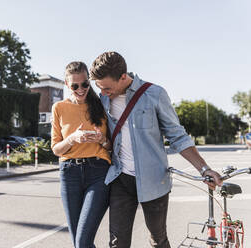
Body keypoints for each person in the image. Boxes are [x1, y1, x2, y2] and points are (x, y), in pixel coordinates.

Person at [89, 51, 223, 248]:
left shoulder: (154, 94)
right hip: (120, 179)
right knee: (117, 243)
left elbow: (177, 136)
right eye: (100, 88)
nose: (103, 93)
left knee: (158, 240)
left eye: (107, 88)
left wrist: (204, 169)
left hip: (153, 180)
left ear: (123, 77)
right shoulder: (104, 99)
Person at [51, 61, 111, 248]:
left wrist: (101, 139)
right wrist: (72, 138)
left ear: (89, 82)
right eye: (75, 85)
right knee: (79, 243)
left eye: (85, 84)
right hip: (69, 174)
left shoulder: (101, 105)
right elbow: (56, 149)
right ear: (67, 85)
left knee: (83, 242)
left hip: (98, 173)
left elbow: (111, 147)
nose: (80, 89)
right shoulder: (59, 108)